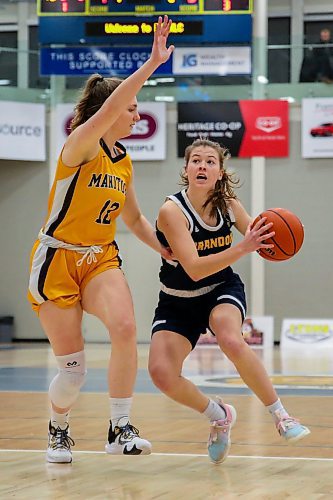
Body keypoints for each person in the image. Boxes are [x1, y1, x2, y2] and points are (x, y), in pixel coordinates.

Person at [27, 15, 174, 464]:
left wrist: (167, 250)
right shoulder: (79, 145)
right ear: (109, 109)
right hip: (56, 260)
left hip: (100, 259)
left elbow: (134, 219)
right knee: (73, 372)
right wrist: (151, 63)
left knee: (127, 328)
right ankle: (58, 429)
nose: (136, 113)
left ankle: (119, 426)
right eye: (131, 107)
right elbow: (112, 109)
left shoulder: (122, 158)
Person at [148, 138, 311, 465]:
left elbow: (259, 237)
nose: (202, 166)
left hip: (221, 288)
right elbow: (193, 269)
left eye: (210, 161)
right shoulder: (172, 211)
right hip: (178, 300)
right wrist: (244, 247)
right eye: (196, 160)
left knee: (230, 338)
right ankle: (219, 415)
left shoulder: (229, 205)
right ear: (186, 169)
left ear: (221, 172)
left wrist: (275, 239)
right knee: (161, 374)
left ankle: (282, 416)